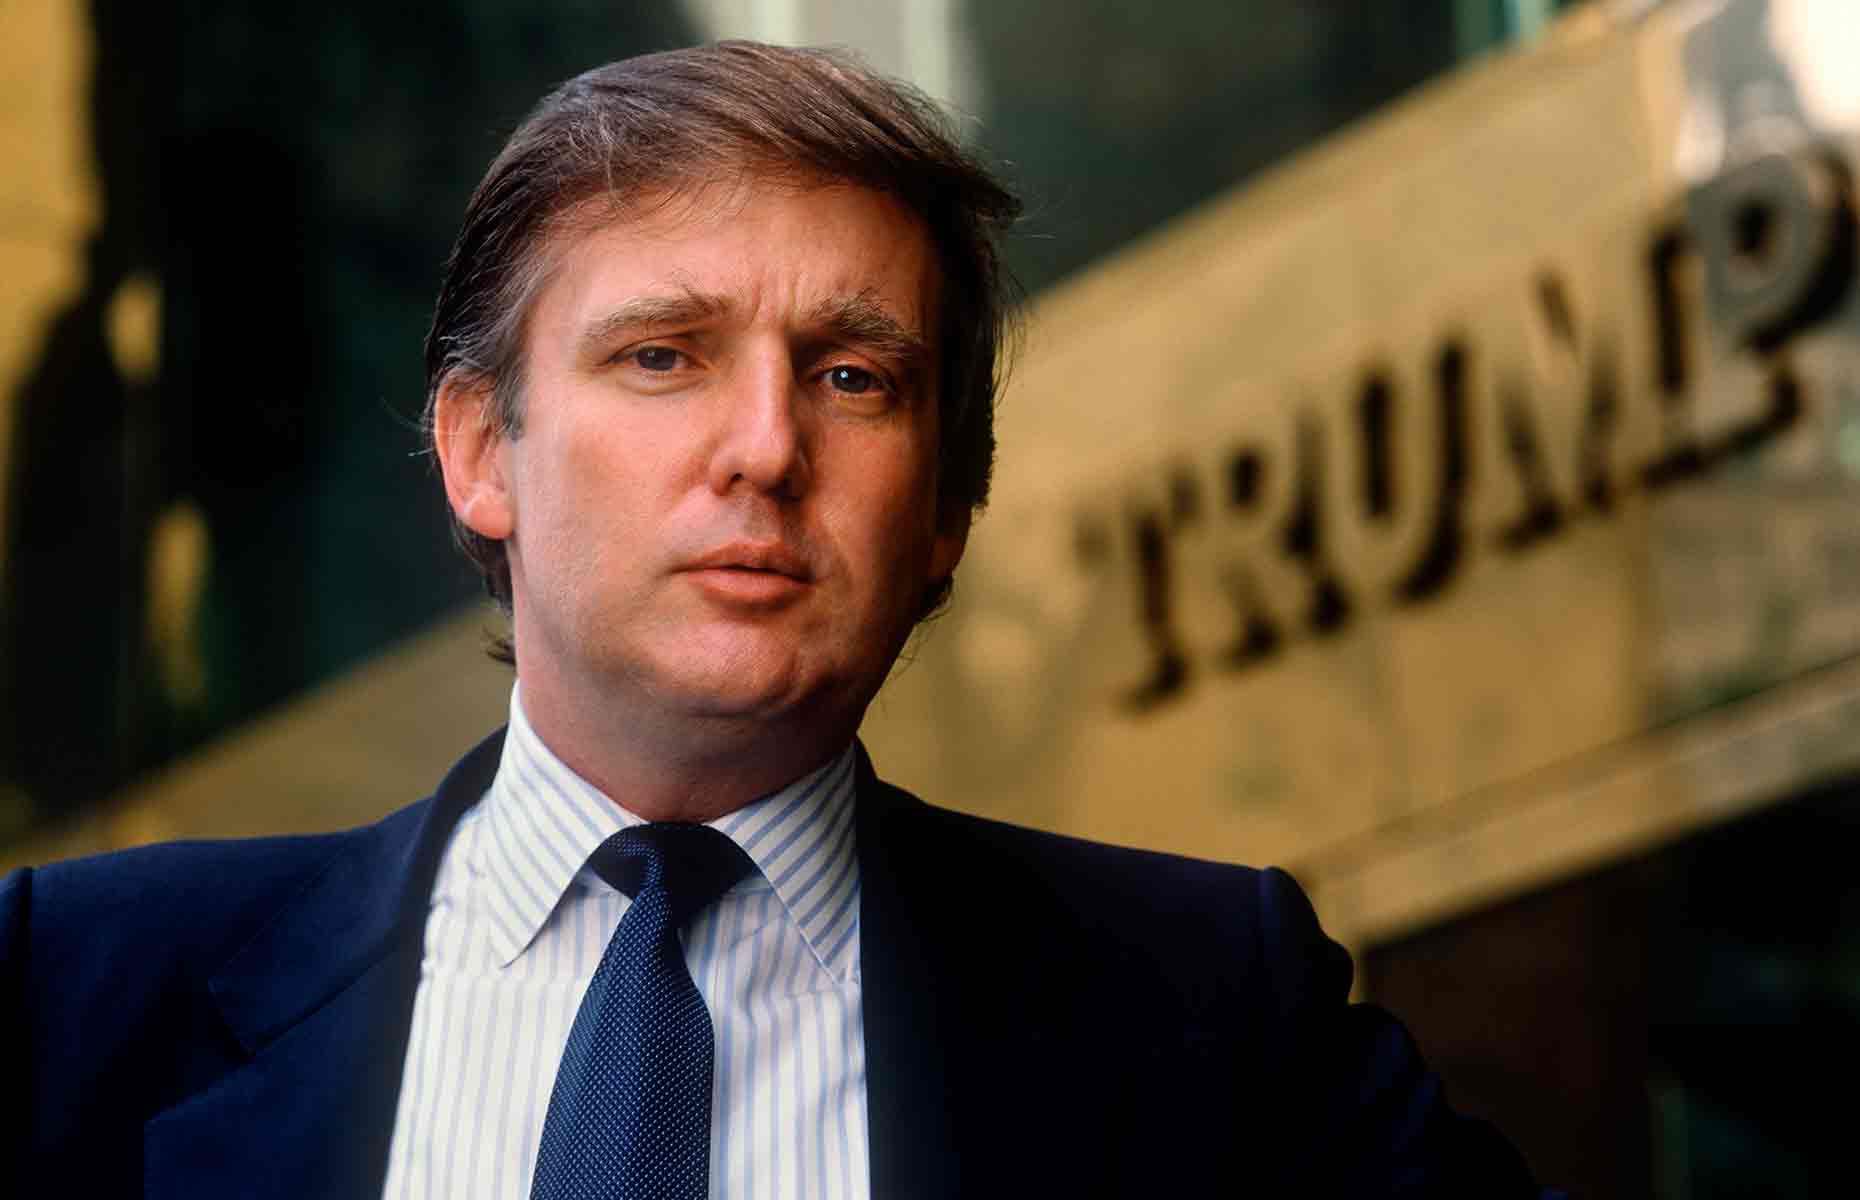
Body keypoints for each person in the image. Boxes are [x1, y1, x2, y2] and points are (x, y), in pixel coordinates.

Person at [1, 42, 1551, 1198]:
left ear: (945, 508)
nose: (765, 445)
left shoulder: (1214, 1013)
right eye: (664, 356)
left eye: (854, 376)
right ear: (481, 451)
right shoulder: (75, 994)